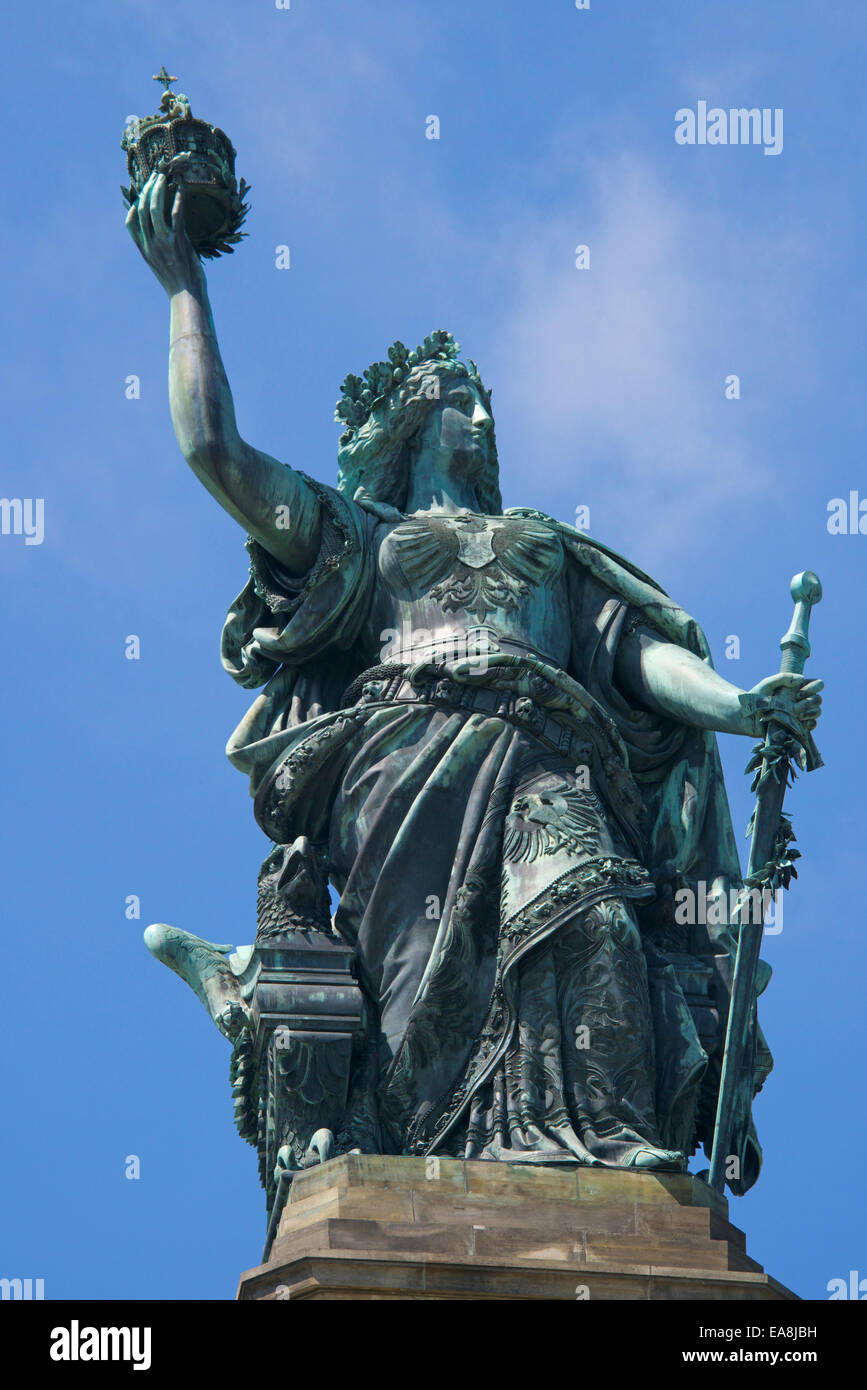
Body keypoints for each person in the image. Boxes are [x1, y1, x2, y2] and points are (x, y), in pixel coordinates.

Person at [129, 171, 822, 1187]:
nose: (481, 420)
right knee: (409, 990)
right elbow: (214, 452)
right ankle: (410, 1149)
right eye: (458, 403)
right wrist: (184, 286)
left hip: (549, 753)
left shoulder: (549, 546)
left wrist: (738, 706)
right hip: (403, 772)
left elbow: (635, 656)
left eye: (487, 405)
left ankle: (610, 1144)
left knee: (595, 908)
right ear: (408, 430)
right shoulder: (366, 538)